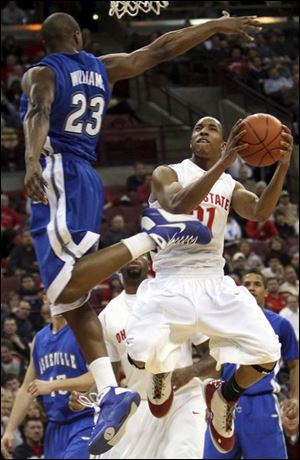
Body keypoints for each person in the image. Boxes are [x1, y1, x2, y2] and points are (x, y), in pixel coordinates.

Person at [19, 10, 259, 454]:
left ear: (45, 43)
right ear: (78, 36)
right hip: (86, 178)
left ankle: (154, 235)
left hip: (59, 173)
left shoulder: (40, 73)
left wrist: (32, 160)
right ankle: (112, 393)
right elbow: (160, 48)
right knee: (74, 299)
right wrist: (215, 27)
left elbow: (38, 111)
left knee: (60, 287)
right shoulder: (100, 66)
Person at [125, 115, 294, 453]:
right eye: (198, 128)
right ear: (191, 142)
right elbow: (177, 203)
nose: (203, 131)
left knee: (266, 353)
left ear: (223, 142)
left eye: (212, 128)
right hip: (170, 279)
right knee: (139, 353)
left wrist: (282, 166)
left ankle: (224, 397)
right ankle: (161, 371)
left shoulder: (229, 185)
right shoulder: (168, 173)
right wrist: (223, 164)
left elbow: (260, 212)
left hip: (213, 281)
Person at [70, 257, 217, 459]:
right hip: (137, 407)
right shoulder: (109, 315)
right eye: (129, 256)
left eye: (140, 255)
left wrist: (189, 372)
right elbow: (109, 379)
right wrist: (88, 394)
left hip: (183, 399)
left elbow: (215, 357)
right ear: (116, 266)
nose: (134, 260)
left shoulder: (175, 298)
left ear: (150, 263)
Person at [203, 271, 299, 459]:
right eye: (247, 284)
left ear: (265, 292)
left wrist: (295, 398)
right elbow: (214, 362)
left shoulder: (281, 324)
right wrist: (211, 400)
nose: (251, 288)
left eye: (257, 284)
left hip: (261, 405)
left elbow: (295, 365)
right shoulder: (223, 323)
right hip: (224, 404)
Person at [1, 314, 95, 459]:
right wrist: (9, 430)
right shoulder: (40, 338)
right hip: (54, 425)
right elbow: (27, 388)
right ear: (45, 298)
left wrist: (52, 385)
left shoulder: (82, 329)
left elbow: (96, 376)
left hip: (84, 419)